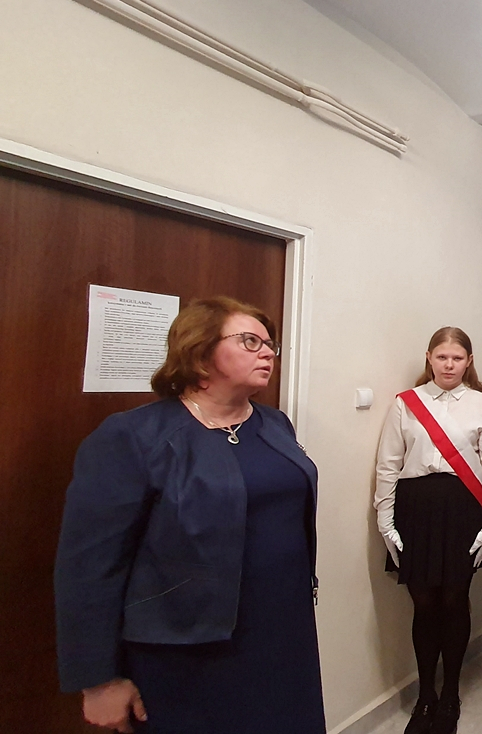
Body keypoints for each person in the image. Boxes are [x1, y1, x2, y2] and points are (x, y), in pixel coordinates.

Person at [54, 296, 323, 734]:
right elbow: (89, 566)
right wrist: (97, 679)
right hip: (185, 648)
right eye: (250, 341)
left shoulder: (274, 425)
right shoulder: (134, 436)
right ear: (200, 350)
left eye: (270, 344)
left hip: (282, 629)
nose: (268, 353)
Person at [374, 327, 482, 734]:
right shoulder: (406, 404)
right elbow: (388, 465)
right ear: (429, 358)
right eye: (442, 357)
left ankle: (450, 694)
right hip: (415, 510)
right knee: (424, 604)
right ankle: (425, 696)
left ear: (469, 361)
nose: (449, 365)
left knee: (454, 600)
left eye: (458, 358)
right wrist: (384, 518)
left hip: (463, 510)